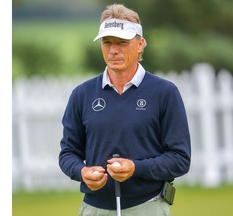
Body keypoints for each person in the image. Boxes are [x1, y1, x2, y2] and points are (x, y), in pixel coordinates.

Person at [59, 3, 191, 216]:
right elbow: (68, 153)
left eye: (122, 42)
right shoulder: (82, 94)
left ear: (140, 44)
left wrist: (135, 168)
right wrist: (81, 172)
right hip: (94, 209)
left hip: (148, 206)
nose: (113, 50)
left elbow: (180, 159)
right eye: (107, 42)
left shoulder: (164, 92)